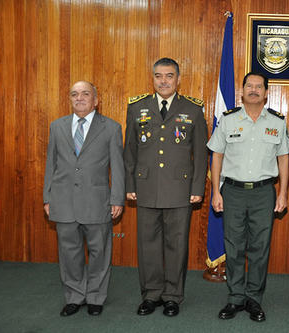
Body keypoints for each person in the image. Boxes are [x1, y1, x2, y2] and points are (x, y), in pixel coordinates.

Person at [123, 57, 208, 317]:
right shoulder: (137, 107)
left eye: (169, 76)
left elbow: (201, 153)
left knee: (177, 244)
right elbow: (130, 150)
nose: (163, 81)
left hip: (180, 188)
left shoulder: (192, 109)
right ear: (153, 78)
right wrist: (130, 184)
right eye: (159, 76)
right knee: (148, 244)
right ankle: (151, 295)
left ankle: (172, 295)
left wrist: (197, 188)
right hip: (146, 185)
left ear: (178, 79)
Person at [208, 72, 289, 322]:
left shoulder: (277, 122)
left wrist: (284, 193)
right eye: (249, 86)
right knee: (233, 246)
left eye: (259, 87)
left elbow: (284, 158)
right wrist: (215, 192)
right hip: (232, 191)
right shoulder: (228, 120)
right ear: (242, 91)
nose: (254, 90)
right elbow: (217, 156)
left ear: (266, 93)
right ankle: (235, 297)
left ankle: (254, 298)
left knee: (259, 247)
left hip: (264, 192)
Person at [43, 81, 125, 317]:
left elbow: (117, 168)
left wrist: (117, 198)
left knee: (100, 251)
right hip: (63, 200)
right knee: (69, 252)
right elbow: (52, 163)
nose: (79, 98)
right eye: (74, 94)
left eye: (85, 94)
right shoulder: (57, 126)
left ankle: (96, 297)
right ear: (70, 99)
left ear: (96, 100)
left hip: (97, 201)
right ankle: (74, 296)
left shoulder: (110, 128)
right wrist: (47, 197)